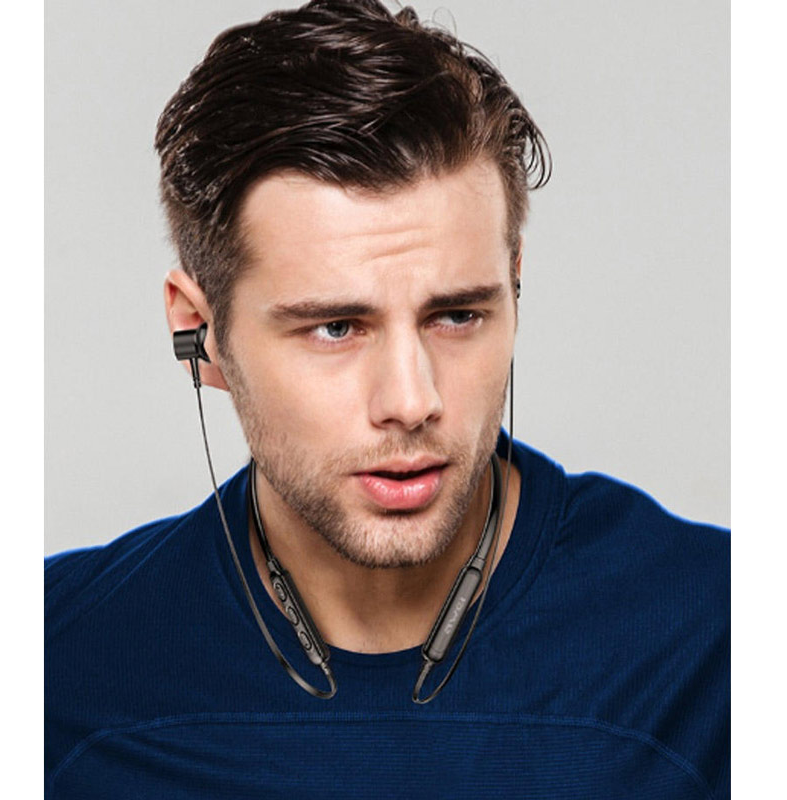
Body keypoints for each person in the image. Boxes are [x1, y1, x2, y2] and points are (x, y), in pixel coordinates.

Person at [44, 1, 730, 797]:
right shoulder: (53, 666)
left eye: (457, 315)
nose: (411, 401)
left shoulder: (721, 636)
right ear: (200, 333)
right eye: (336, 327)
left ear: (514, 286)